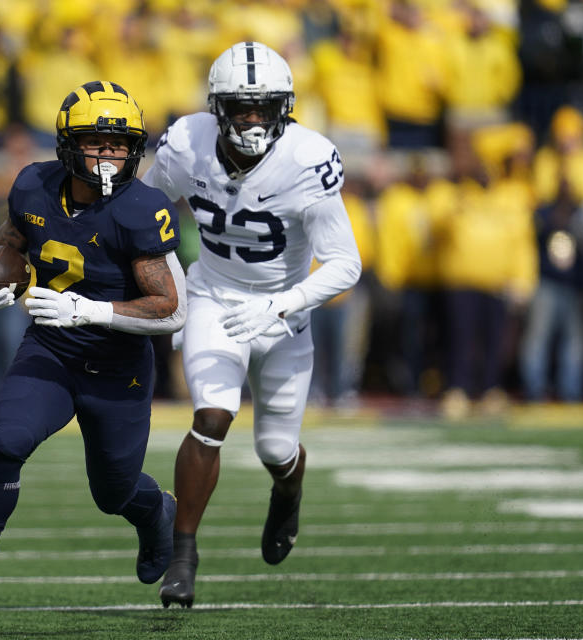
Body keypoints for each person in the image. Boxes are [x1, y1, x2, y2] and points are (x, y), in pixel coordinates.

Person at [0, 81, 187, 614]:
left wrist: (89, 310)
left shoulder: (141, 208)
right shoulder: (33, 186)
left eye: (121, 144)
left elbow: (169, 307)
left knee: (112, 492)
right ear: (69, 143)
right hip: (51, 348)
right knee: (7, 439)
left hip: (117, 366)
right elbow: (8, 244)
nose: (111, 154)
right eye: (98, 141)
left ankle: (157, 512)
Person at [142, 42, 362, 608]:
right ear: (218, 108)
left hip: (285, 313)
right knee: (212, 414)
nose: (254, 119)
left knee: (275, 448)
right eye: (243, 107)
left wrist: (283, 304)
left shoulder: (307, 158)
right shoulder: (186, 144)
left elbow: (346, 263)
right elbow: (142, 212)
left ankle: (288, 492)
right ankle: (183, 556)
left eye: (265, 107)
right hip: (214, 295)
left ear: (285, 107)